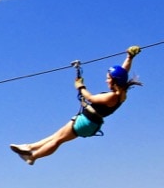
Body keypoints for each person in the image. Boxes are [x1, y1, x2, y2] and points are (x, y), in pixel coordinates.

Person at [10, 46, 142, 165]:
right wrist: (129, 57)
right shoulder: (121, 93)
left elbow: (91, 98)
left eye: (108, 78)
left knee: (57, 140)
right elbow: (123, 72)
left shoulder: (112, 96)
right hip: (88, 122)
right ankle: (29, 147)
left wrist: (80, 86)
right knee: (55, 137)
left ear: (115, 81)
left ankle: (33, 156)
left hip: (87, 122)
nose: (106, 80)